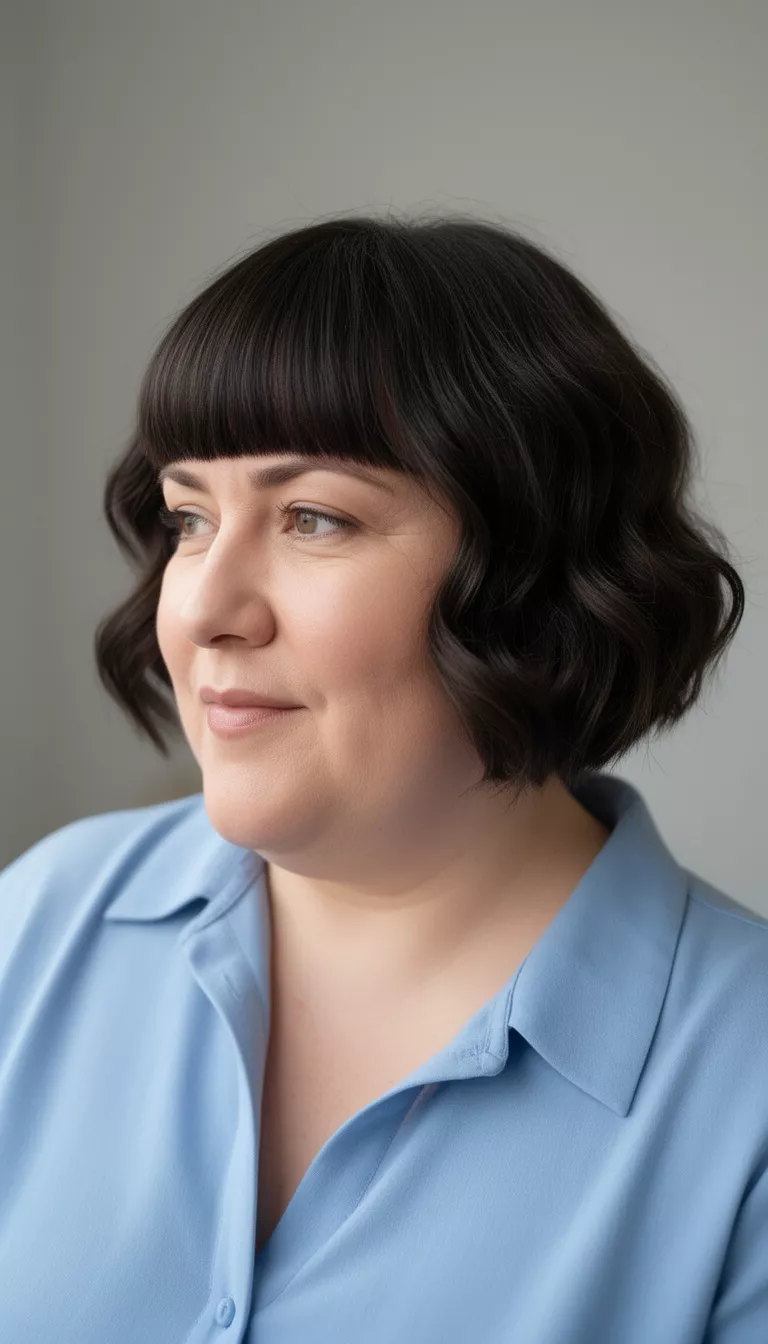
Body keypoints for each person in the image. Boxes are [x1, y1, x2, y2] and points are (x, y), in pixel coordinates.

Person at [0, 213, 765, 1344]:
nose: (203, 607)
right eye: (188, 518)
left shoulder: (747, 1093)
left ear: (544, 576)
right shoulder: (38, 924)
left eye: (313, 517)